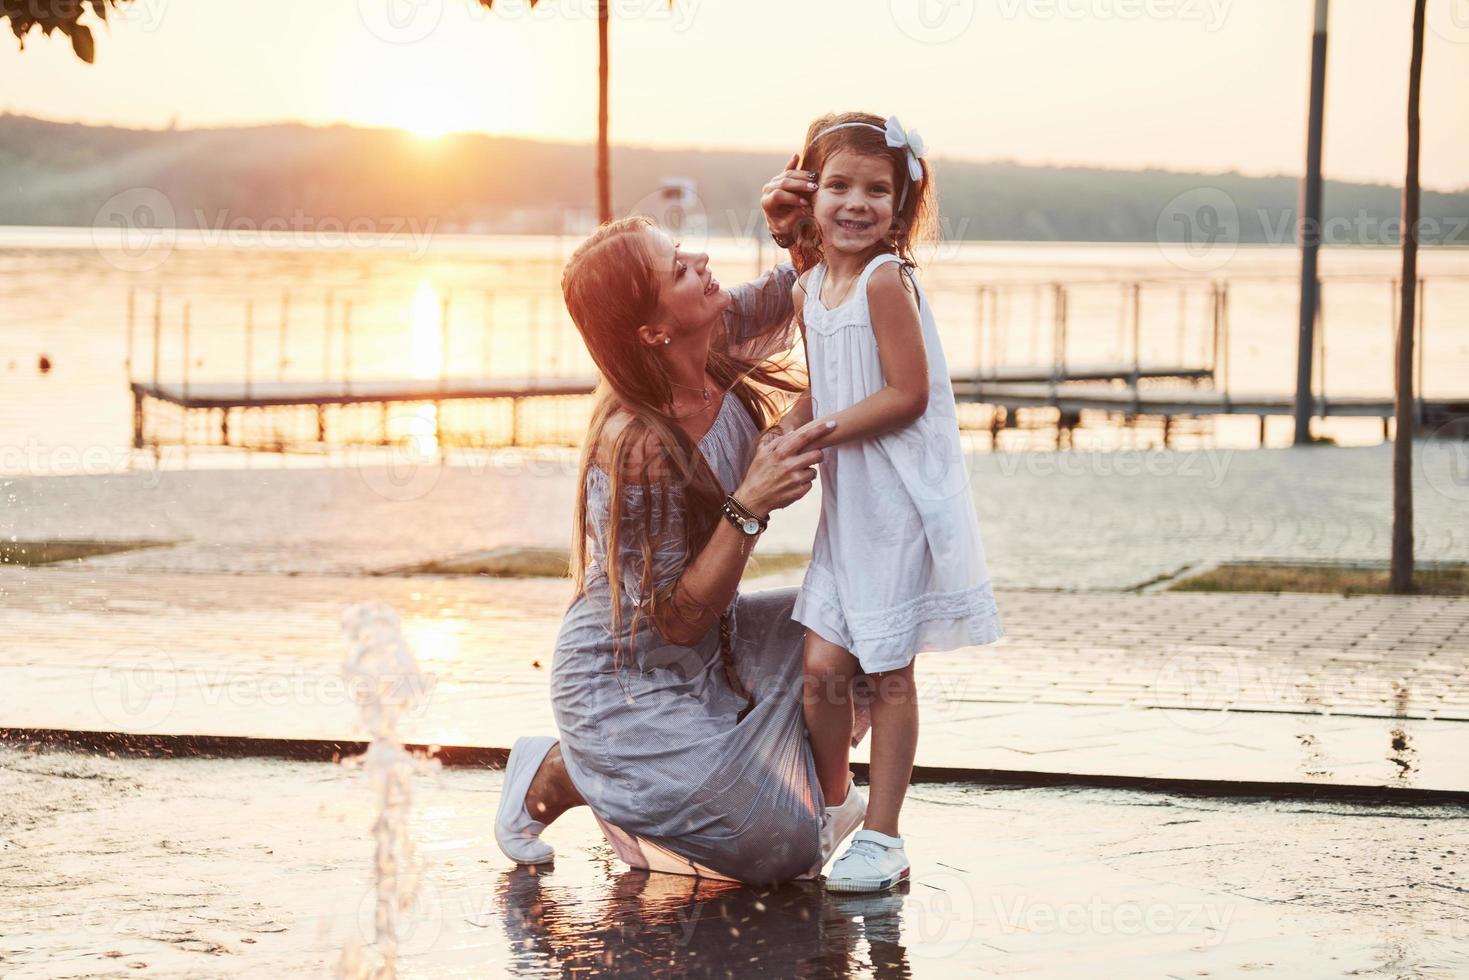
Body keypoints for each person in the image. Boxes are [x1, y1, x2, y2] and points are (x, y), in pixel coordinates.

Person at [495, 165, 871, 883]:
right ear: (652, 330)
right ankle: (562, 770)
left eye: (684, 251)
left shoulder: (715, 331)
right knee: (781, 851)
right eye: (676, 267)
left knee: (871, 626)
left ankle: (803, 791)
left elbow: (808, 285)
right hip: (625, 676)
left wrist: (792, 220)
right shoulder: (636, 447)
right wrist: (748, 504)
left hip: (711, 648)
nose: (699, 261)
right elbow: (675, 621)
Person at [780, 112, 1005, 893]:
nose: (856, 203)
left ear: (900, 208)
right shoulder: (812, 285)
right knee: (820, 666)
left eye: (876, 190)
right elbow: (829, 382)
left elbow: (907, 395)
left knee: (888, 673)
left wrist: (823, 430)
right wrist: (793, 420)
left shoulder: (884, 280)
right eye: (837, 185)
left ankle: (885, 834)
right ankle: (838, 802)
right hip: (849, 508)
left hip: (897, 504)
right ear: (810, 194)